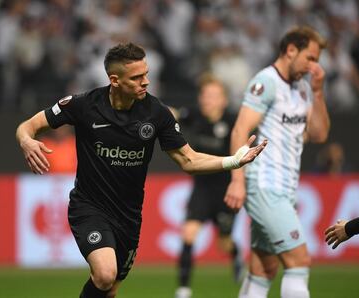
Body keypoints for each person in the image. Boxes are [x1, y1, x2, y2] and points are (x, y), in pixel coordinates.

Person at [15, 42, 267, 298]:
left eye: (146, 74)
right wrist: (26, 140)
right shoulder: (83, 105)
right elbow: (29, 126)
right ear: (115, 80)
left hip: (128, 217)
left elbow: (188, 160)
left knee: (110, 289)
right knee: (104, 274)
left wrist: (233, 161)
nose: (146, 81)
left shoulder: (157, 113)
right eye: (137, 77)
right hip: (89, 207)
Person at [224, 26, 330, 298]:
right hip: (264, 184)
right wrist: (237, 180)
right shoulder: (266, 82)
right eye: (310, 58)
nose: (313, 67)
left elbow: (318, 134)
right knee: (299, 261)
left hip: (285, 187)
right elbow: (240, 130)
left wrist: (318, 93)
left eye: (316, 61)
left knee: (264, 268)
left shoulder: (304, 88)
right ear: (291, 50)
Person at [172, 75, 242, 298]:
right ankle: (183, 289)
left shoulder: (234, 123)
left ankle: (236, 255)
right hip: (201, 188)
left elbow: (242, 156)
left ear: (223, 100)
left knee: (224, 243)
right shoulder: (195, 116)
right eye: (204, 95)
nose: (207, 100)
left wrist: (239, 184)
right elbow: (172, 114)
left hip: (225, 190)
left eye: (213, 96)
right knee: (189, 234)